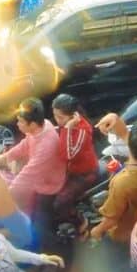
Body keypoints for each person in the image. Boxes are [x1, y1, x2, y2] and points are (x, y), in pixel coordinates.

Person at [90, 119, 137, 243]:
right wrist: (115, 118)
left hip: (126, 228)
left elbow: (111, 218)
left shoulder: (121, 183)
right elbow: (125, 134)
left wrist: (97, 230)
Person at [0, 98, 66, 216]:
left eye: (20, 121)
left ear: (33, 124)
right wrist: (4, 157)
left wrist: (6, 196)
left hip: (49, 185)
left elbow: (26, 177)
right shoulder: (42, 125)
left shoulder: (46, 147)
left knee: (38, 227)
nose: (17, 124)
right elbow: (24, 145)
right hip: (36, 174)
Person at [51, 94, 98, 238]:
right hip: (70, 170)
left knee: (60, 203)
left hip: (84, 174)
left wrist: (67, 128)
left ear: (72, 117)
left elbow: (67, 155)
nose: (57, 121)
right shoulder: (65, 125)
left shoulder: (82, 131)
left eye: (60, 117)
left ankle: (81, 221)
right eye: (55, 116)